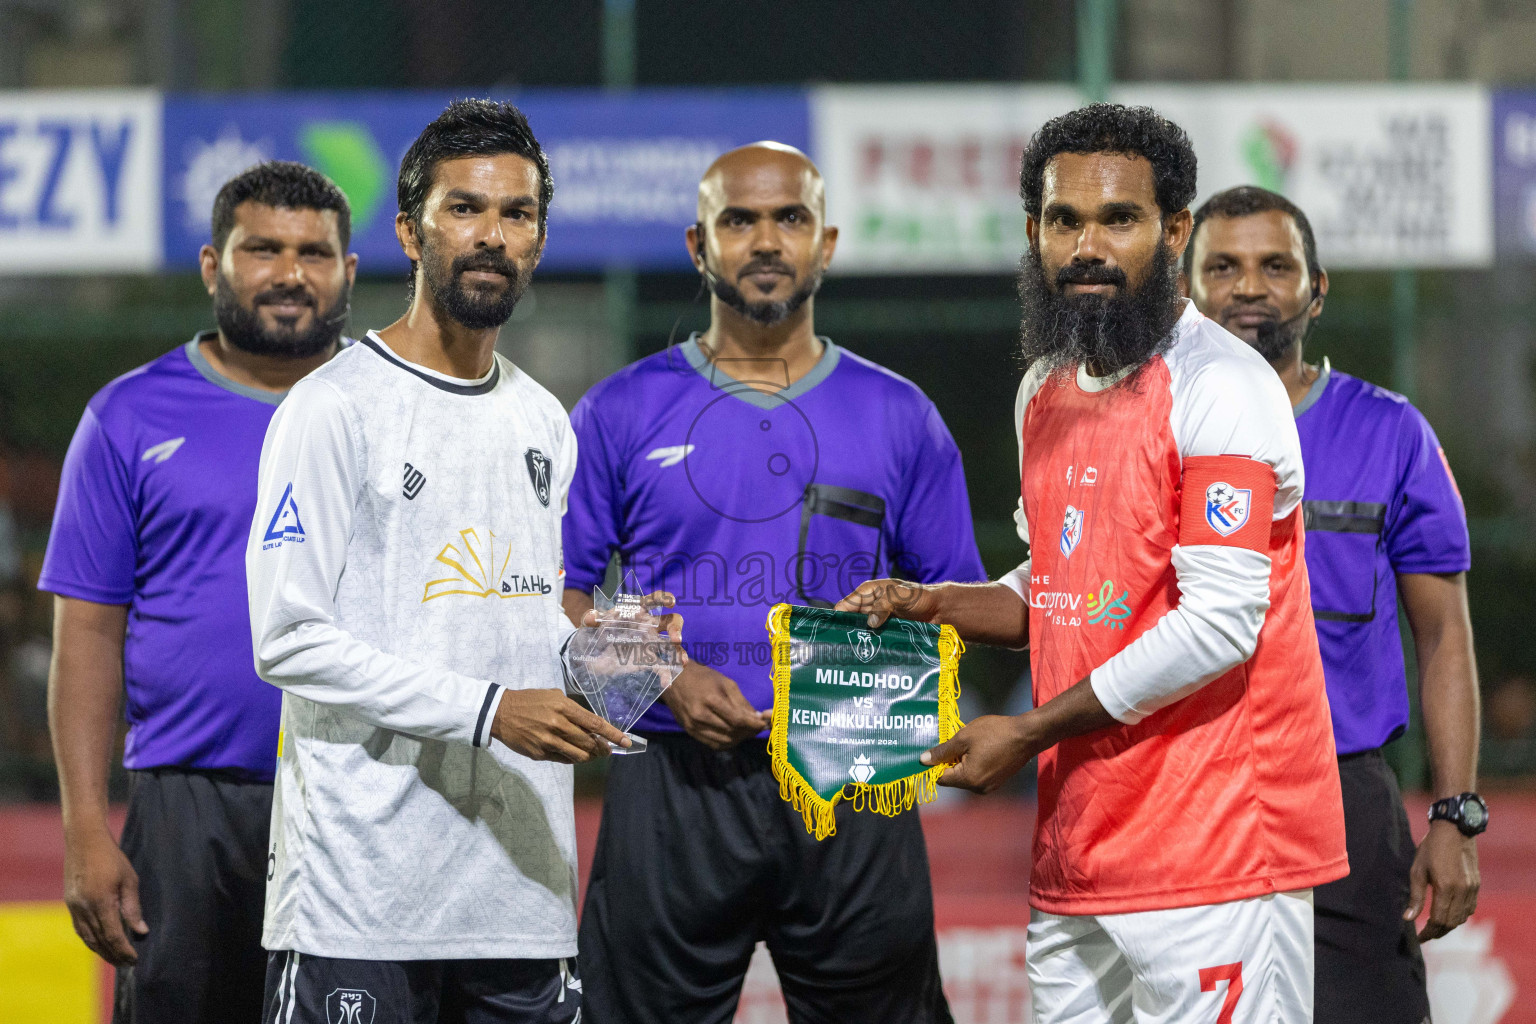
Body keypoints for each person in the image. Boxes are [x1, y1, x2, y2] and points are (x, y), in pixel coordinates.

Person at [839, 104, 1349, 1023]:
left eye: (1119, 220)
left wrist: (1028, 731)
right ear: (1033, 231)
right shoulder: (1046, 388)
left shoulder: (1223, 387)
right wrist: (937, 604)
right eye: (1064, 221)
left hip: (1219, 854)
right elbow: (1066, 592)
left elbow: (1219, 624)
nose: (1088, 245)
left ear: (1174, 230)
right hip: (1081, 849)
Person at [245, 99, 664, 1024]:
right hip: (361, 903)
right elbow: (286, 638)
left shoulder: (545, 419)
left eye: (517, 214)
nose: (492, 235)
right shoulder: (332, 409)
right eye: (465, 209)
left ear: (541, 241)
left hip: (520, 898)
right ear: (409, 231)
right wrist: (487, 712)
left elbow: (520, 623)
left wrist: (619, 657)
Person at [563, 141, 986, 1024]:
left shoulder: (900, 415)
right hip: (671, 780)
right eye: (739, 219)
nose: (765, 240)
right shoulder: (616, 411)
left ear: (825, 243)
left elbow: (959, 602)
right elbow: (554, 598)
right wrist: (661, 677)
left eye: (789, 218)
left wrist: (900, 635)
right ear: (697, 244)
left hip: (856, 779)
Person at [40, 160, 356, 1024]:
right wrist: (83, 829)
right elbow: (89, 634)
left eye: (313, 252)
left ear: (349, 273)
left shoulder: (389, 410)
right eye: (263, 249)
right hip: (186, 805)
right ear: (215, 266)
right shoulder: (129, 416)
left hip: (362, 791)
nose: (290, 273)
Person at [1185, 184, 1482, 1024]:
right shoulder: (1147, 431)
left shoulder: (1392, 433)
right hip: (1182, 792)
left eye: (1275, 266)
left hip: (1342, 798)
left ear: (1317, 289)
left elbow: (1444, 638)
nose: (1249, 286)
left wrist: (1455, 815)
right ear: (1186, 290)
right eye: (1224, 266)